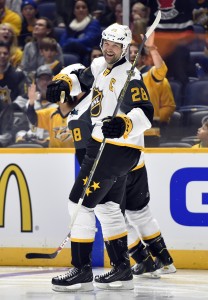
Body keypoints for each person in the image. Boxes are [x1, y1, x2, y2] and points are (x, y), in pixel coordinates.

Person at [46, 23, 154, 291]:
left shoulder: (132, 75)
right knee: (107, 207)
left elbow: (145, 112)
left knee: (79, 203)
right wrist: (62, 82)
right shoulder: (99, 66)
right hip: (100, 145)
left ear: (125, 48)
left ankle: (81, 269)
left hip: (118, 148)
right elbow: (79, 78)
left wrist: (125, 124)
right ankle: (122, 267)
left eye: (115, 45)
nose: (108, 48)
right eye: (106, 42)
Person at [129, 32, 176, 127]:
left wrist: (152, 49)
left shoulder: (150, 73)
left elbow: (161, 70)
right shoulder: (119, 76)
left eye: (136, 52)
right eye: (129, 53)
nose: (132, 55)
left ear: (143, 58)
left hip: (150, 127)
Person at [14, 65, 57, 146]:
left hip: (50, 143)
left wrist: (47, 140)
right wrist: (24, 136)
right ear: (36, 82)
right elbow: (22, 125)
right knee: (18, 134)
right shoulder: (30, 102)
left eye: (47, 79)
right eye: (42, 79)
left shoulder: (60, 104)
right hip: (32, 141)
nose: (44, 82)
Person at [59, 0, 102, 64]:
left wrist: (71, 41)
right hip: (72, 53)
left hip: (87, 54)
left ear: (88, 10)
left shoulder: (94, 23)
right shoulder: (71, 25)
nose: (81, 9)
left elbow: (88, 40)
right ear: (74, 11)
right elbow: (62, 43)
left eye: (84, 7)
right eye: (77, 7)